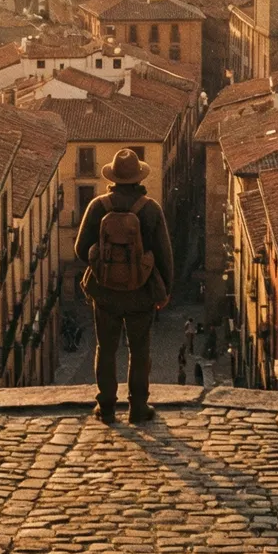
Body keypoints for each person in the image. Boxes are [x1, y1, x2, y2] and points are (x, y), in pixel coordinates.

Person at [75, 149, 174, 423]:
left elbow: (81, 248)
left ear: (114, 178)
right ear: (138, 178)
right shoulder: (150, 209)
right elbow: (165, 255)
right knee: (139, 350)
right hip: (141, 294)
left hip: (105, 293)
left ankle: (106, 407)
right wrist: (164, 291)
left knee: (105, 349)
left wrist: (102, 264)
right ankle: (138, 408)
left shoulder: (98, 206)